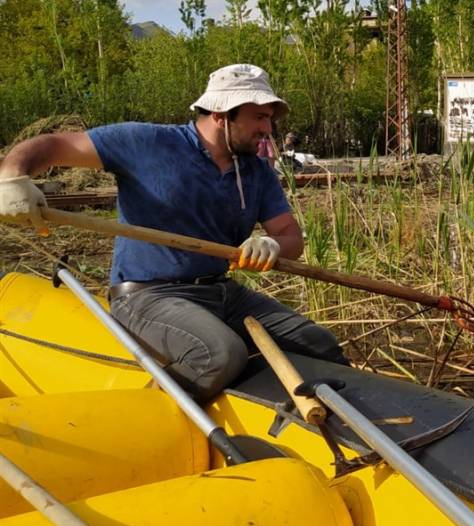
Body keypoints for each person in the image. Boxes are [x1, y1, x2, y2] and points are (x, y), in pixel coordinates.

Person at [0, 63, 348, 401]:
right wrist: (13, 177)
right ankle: (148, 416)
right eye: (259, 116)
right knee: (221, 355)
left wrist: (272, 244)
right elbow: (50, 146)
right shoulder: (146, 143)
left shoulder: (256, 171)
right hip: (148, 296)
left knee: (319, 344)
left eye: (270, 118)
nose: (267, 128)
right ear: (221, 114)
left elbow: (291, 237)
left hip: (220, 290)